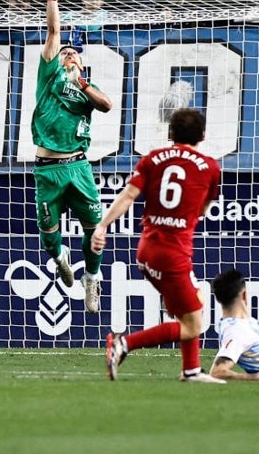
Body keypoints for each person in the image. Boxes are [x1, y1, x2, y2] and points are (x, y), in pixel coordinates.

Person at [94, 107, 223, 383]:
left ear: (170, 133)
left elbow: (128, 196)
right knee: (193, 325)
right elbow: (202, 210)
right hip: (173, 254)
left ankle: (191, 371)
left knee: (192, 303)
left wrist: (102, 226)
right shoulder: (211, 167)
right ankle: (123, 344)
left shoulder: (153, 159)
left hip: (147, 250)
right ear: (202, 135)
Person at [32, 0, 113, 314]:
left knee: (95, 230)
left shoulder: (86, 91)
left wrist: (82, 83)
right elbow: (53, 32)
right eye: (64, 53)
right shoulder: (49, 75)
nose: (68, 54)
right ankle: (60, 256)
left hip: (78, 167)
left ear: (81, 63)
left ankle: (92, 279)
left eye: (73, 54)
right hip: (48, 169)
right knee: (49, 236)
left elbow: (107, 105)